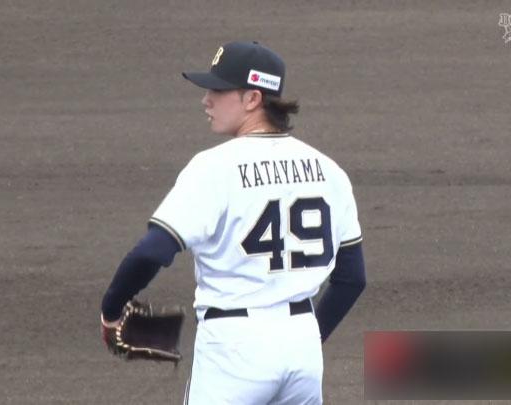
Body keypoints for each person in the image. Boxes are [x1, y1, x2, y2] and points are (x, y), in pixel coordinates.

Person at [101, 40, 366, 405]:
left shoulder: (213, 168)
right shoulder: (329, 171)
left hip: (233, 349)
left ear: (253, 98)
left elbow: (151, 252)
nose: (206, 100)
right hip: (302, 346)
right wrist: (303, 341)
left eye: (218, 90)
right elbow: (352, 279)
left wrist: (111, 310)